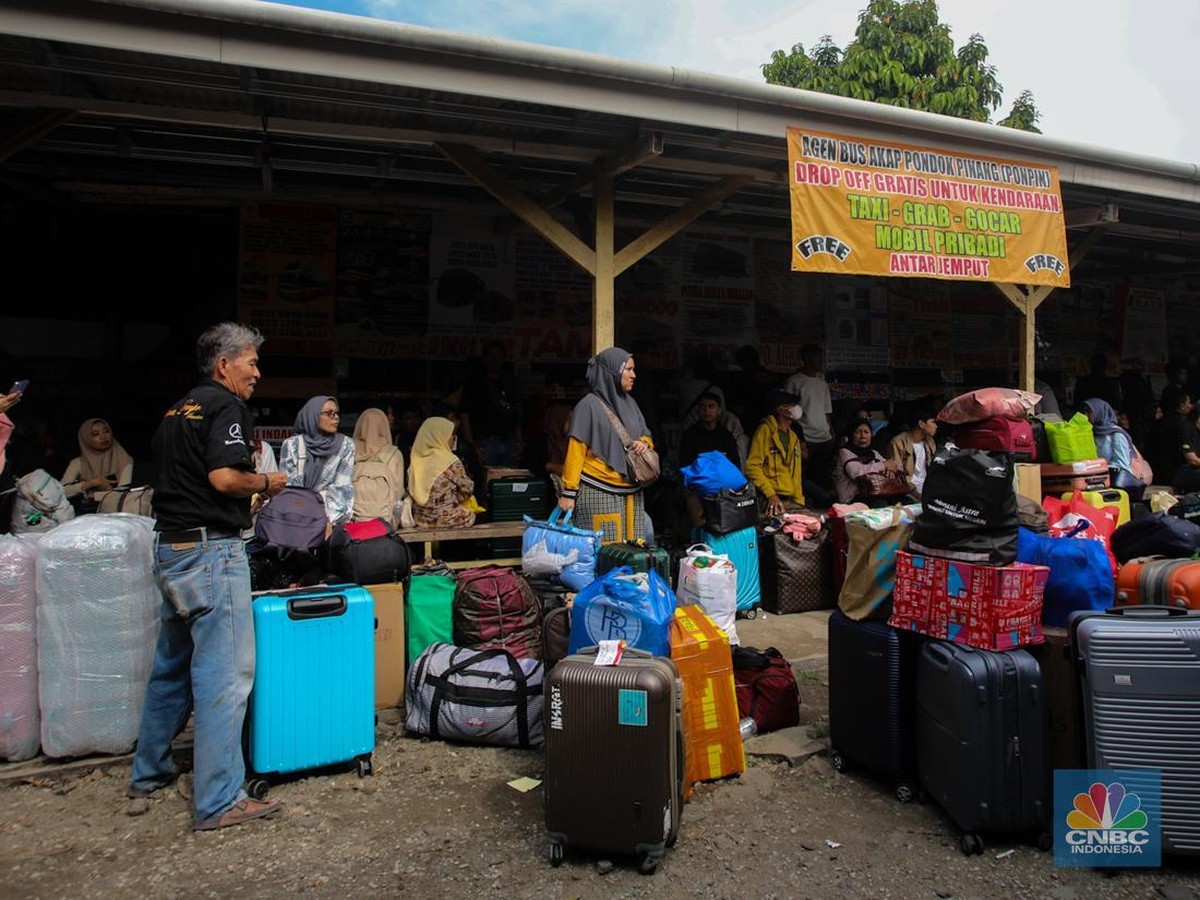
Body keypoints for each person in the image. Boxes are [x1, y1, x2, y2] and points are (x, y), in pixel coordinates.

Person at [129, 321, 288, 832]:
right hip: (211, 553)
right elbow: (224, 477)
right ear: (225, 364)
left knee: (170, 668)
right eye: (251, 362)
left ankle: (149, 771)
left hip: (169, 550)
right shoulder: (225, 407)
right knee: (225, 675)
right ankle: (220, 798)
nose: (257, 373)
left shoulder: (178, 410)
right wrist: (266, 480)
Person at [557, 347, 655, 544]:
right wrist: (568, 493)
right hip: (598, 491)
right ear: (612, 372)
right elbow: (576, 453)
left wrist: (643, 444)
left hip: (632, 494)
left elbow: (646, 434)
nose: (633, 375)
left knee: (633, 552)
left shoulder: (631, 403)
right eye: (628, 369)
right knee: (604, 553)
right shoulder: (588, 406)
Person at [280, 396, 356, 529]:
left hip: (329, 522)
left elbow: (342, 489)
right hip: (295, 520)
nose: (335, 417)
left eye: (337, 413)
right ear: (312, 415)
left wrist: (327, 522)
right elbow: (290, 489)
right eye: (329, 413)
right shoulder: (293, 445)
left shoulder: (346, 445)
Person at [459, 340, 523, 467]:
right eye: (492, 356)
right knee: (486, 481)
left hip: (508, 440)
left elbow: (516, 413)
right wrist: (472, 445)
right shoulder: (475, 383)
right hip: (484, 441)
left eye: (499, 356)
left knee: (508, 482)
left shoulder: (510, 382)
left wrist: (519, 441)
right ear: (485, 358)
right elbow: (464, 414)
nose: (495, 360)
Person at [745, 389, 805, 517]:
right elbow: (752, 467)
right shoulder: (765, 431)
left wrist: (799, 502)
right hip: (769, 499)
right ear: (780, 409)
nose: (795, 407)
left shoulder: (794, 437)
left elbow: (797, 474)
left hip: (790, 500)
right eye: (790, 404)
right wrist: (771, 494)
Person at [408, 416, 476, 527]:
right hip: (448, 518)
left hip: (421, 520)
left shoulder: (416, 459)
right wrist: (456, 498)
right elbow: (467, 489)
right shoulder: (449, 460)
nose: (453, 439)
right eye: (450, 435)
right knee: (472, 514)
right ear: (440, 436)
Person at [784, 344, 834, 490]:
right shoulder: (794, 381)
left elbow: (827, 411)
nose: (821, 361)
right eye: (817, 357)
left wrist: (832, 432)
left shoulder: (822, 382)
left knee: (822, 476)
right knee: (802, 476)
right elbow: (787, 409)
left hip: (824, 437)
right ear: (807, 359)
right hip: (804, 436)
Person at [1081, 397, 1146, 500]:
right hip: (1098, 482)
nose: (1085, 416)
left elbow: (1122, 465)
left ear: (1099, 412)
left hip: (1115, 483)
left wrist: (1101, 469)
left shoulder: (1115, 435)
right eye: (1084, 412)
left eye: (1089, 412)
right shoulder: (1091, 433)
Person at [350, 407, 406, 525]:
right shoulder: (394, 454)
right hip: (385, 521)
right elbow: (398, 492)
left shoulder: (349, 451)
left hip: (355, 521)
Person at [60, 417, 134, 502]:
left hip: (118, 510)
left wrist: (93, 496)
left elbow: (121, 493)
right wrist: (93, 483)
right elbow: (60, 492)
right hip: (87, 513)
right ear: (86, 438)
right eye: (95, 434)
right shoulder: (77, 463)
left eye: (106, 431)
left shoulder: (124, 459)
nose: (103, 437)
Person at [834, 420, 902, 507]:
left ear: (871, 435)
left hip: (873, 494)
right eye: (858, 432)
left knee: (904, 501)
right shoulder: (845, 452)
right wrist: (883, 465)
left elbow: (897, 466)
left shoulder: (873, 453)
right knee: (881, 504)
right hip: (851, 499)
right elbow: (856, 472)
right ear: (851, 435)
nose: (863, 436)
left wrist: (892, 470)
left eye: (866, 432)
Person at [1146, 386, 1200, 493]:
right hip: (1176, 472)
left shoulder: (1169, 422)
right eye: (1188, 402)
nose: (1190, 405)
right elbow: (1192, 460)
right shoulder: (1184, 426)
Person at [888, 401, 939, 497]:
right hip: (906, 491)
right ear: (921, 423)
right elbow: (897, 475)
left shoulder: (930, 442)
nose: (936, 426)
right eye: (933, 422)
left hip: (928, 488)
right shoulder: (898, 442)